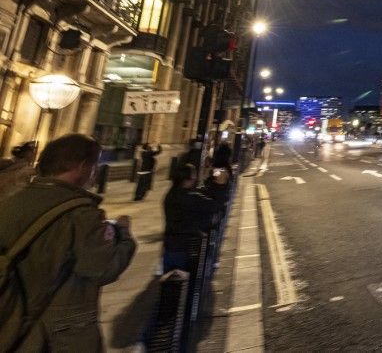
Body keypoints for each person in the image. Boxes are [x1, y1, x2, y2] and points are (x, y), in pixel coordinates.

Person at [0, 134, 136, 351]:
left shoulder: (12, 200)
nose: (95, 172)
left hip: (10, 324)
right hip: (59, 333)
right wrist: (124, 233)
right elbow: (105, 267)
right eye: (95, 165)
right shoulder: (80, 214)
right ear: (82, 166)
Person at [163, 163, 221, 272]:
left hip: (170, 247)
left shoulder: (171, 194)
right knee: (186, 284)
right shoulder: (189, 197)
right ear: (188, 179)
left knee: (171, 283)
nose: (195, 178)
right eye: (194, 175)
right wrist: (218, 183)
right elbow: (215, 205)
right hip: (184, 248)